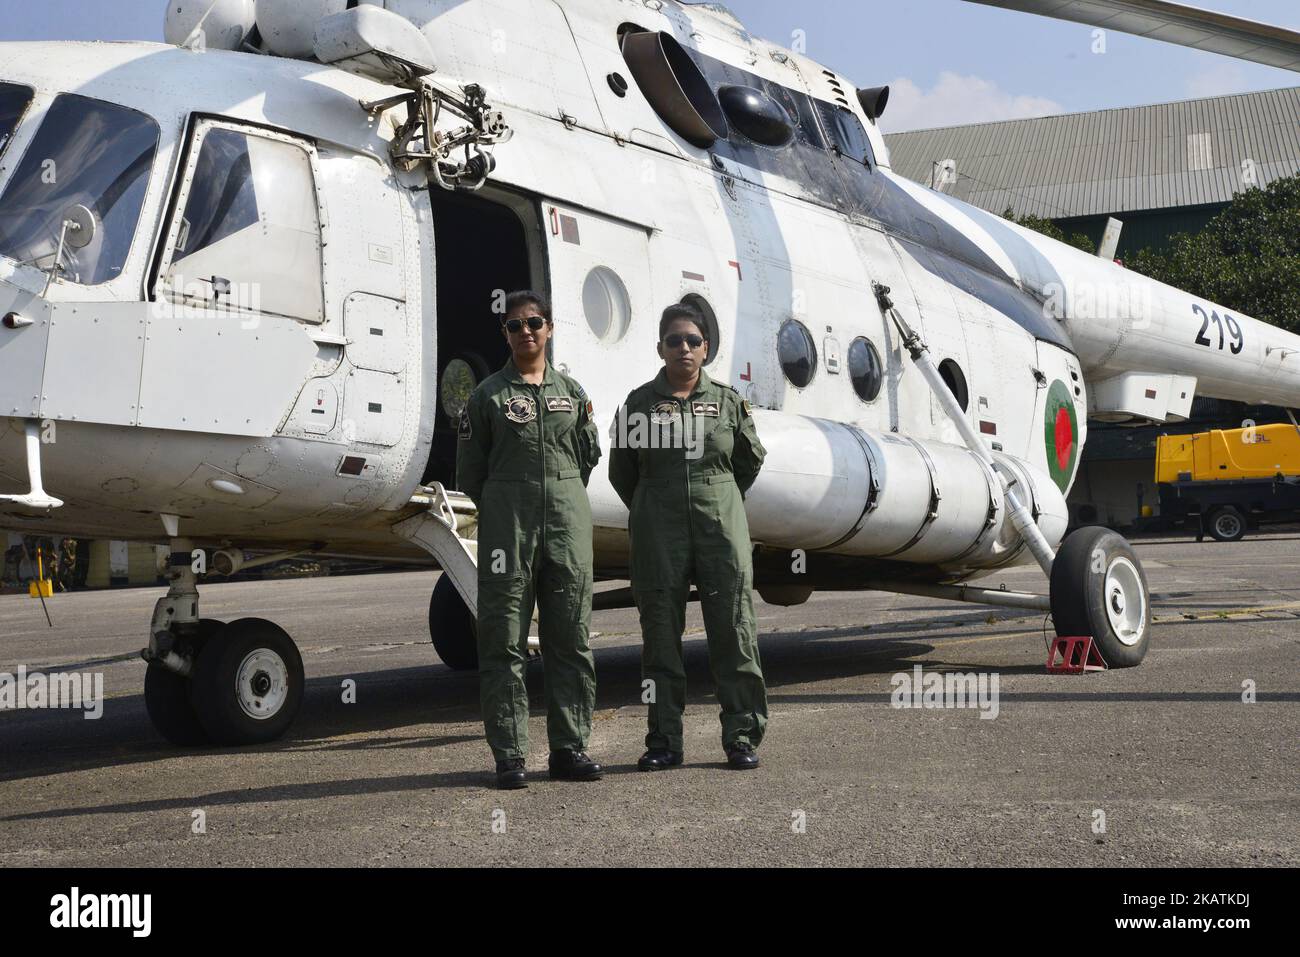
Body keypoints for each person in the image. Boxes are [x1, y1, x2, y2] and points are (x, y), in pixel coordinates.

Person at [608, 303, 769, 771]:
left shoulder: (729, 401)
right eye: (674, 340)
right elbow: (622, 474)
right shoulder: (638, 405)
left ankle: (741, 736)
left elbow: (749, 461)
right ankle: (663, 741)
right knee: (659, 635)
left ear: (706, 349)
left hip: (721, 526)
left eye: (693, 341)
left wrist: (716, 497)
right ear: (660, 347)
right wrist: (655, 506)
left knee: (734, 631)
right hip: (659, 533)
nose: (684, 348)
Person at [455, 290, 604, 790]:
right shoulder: (487, 397)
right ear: (506, 334)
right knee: (503, 639)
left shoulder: (574, 394)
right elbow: (470, 475)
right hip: (507, 530)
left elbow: (587, 457)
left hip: (566, 525)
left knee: (571, 639)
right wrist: (510, 502)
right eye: (516, 325)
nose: (526, 332)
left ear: (550, 328)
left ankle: (569, 749)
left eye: (534, 323)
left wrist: (554, 493)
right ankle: (511, 755)